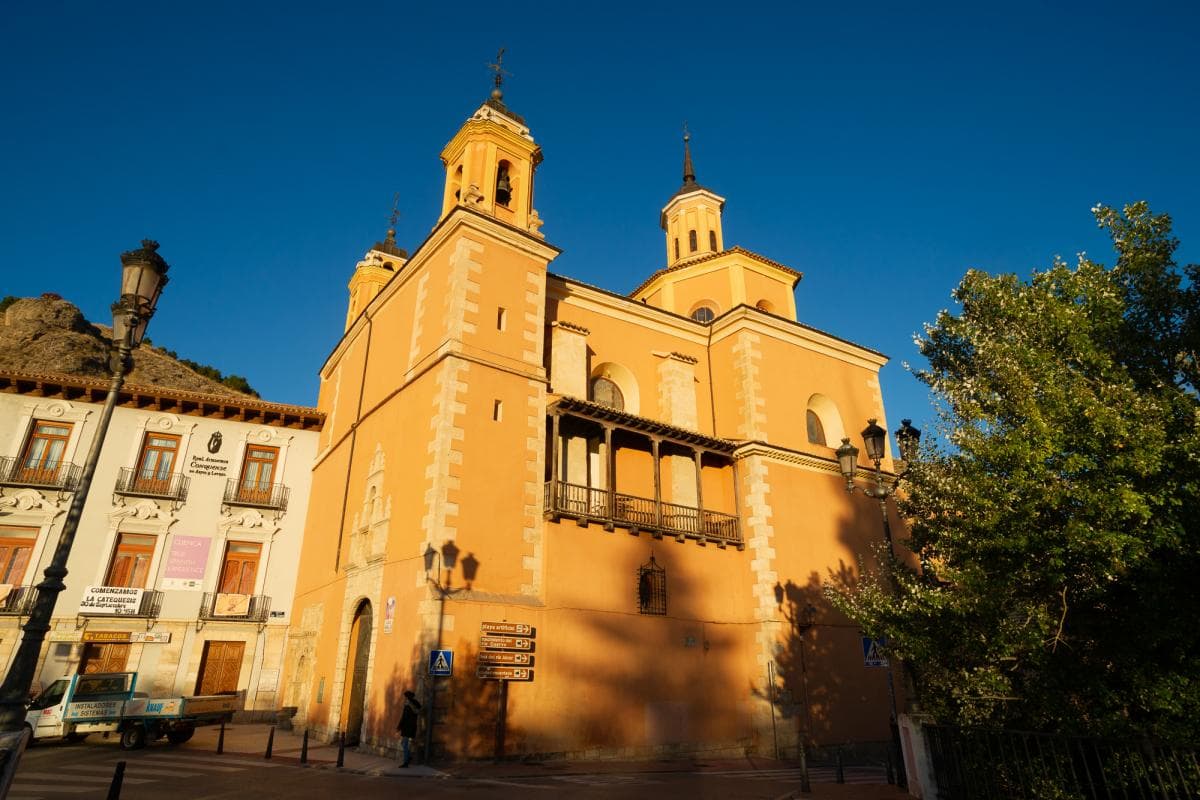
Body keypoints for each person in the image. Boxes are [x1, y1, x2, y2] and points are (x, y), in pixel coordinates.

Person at [396, 689, 422, 767]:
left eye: (406, 697)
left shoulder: (408, 706)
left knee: (404, 744)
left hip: (407, 727)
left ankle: (406, 762)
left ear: (408, 698)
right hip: (412, 726)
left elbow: (404, 717)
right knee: (404, 743)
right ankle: (408, 757)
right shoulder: (416, 705)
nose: (405, 699)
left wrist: (399, 726)